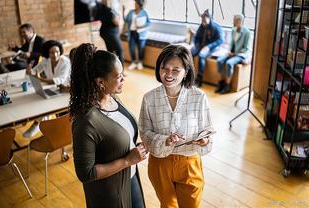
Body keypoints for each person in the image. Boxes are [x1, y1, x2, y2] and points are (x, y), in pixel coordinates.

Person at [70, 43, 146, 208]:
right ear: (101, 82)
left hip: (130, 178)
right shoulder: (85, 122)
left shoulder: (113, 98)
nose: (123, 78)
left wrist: (133, 148)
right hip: (109, 195)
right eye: (118, 76)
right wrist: (127, 160)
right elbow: (86, 173)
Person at [139, 44, 214, 208]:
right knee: (167, 205)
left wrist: (205, 140)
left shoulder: (199, 97)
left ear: (186, 72)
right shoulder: (149, 98)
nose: (168, 74)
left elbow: (207, 129)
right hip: (160, 164)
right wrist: (165, 141)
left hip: (189, 163)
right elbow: (144, 133)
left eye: (175, 70)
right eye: (164, 68)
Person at [23, 40, 71, 138]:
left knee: (44, 102)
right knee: (37, 98)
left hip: (65, 91)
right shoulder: (46, 61)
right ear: (47, 53)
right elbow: (35, 71)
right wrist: (29, 71)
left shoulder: (65, 62)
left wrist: (40, 78)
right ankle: (37, 123)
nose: (55, 54)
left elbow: (59, 80)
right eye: (52, 52)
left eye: (57, 51)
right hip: (54, 90)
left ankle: (37, 124)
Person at [215, 14, 251, 94]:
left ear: (240, 21)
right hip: (232, 53)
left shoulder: (247, 32)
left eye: (234, 20)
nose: (233, 22)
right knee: (219, 60)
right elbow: (231, 43)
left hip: (241, 54)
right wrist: (229, 51)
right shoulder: (233, 30)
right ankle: (221, 83)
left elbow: (246, 48)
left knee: (229, 63)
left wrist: (235, 54)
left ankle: (227, 86)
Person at [191, 9, 223, 87]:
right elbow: (196, 37)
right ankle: (189, 76)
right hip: (201, 45)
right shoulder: (202, 26)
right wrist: (195, 44)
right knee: (189, 53)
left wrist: (209, 47)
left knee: (201, 55)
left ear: (209, 18)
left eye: (204, 19)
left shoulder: (216, 27)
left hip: (211, 47)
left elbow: (220, 40)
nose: (203, 21)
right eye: (202, 19)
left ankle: (199, 80)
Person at [123, 0, 150, 70]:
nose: (135, 4)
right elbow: (126, 20)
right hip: (131, 33)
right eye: (134, 3)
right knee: (131, 48)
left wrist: (142, 26)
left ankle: (140, 62)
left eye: (136, 3)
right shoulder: (131, 12)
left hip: (141, 34)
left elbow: (149, 23)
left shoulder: (144, 12)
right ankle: (134, 62)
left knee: (141, 48)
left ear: (139, 5)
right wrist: (123, 12)